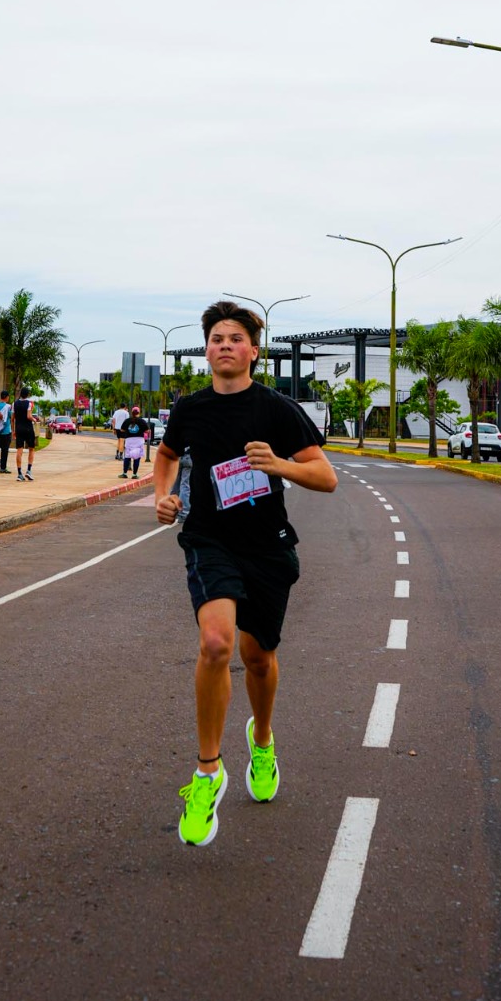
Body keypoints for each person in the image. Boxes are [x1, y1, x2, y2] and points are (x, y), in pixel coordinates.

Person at [153, 301, 337, 848]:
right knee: (216, 643)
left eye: (235, 338)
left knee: (258, 658)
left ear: (254, 351)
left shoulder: (277, 409)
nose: (225, 345)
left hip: (266, 547)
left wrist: (278, 465)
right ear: (207, 350)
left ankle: (262, 741)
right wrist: (162, 495)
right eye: (217, 338)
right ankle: (208, 772)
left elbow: (326, 476)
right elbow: (166, 455)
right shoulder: (190, 408)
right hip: (209, 540)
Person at [13, 386, 38, 481]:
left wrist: (14, 430)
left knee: (19, 450)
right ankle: (28, 470)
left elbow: (12, 418)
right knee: (31, 449)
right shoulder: (30, 403)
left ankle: (19, 473)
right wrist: (34, 419)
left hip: (18, 428)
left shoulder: (14, 404)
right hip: (28, 428)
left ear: (20, 394)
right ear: (28, 395)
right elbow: (29, 416)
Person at [121, 405, 151, 479]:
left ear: (132, 412)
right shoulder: (142, 421)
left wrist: (128, 430)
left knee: (127, 457)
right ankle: (134, 474)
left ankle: (124, 473)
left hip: (129, 440)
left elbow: (122, 429)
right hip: (139, 440)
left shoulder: (127, 421)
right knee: (137, 457)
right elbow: (147, 431)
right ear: (139, 413)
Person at [0, 389, 14, 474]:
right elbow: (11, 417)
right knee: (4, 450)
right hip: (5, 431)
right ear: (7, 397)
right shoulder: (8, 407)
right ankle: (3, 468)